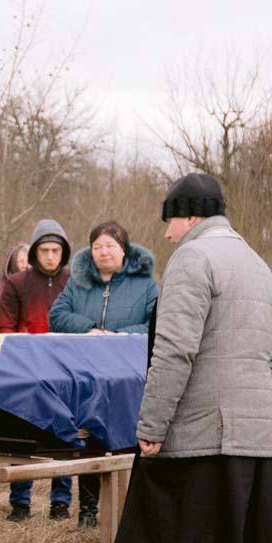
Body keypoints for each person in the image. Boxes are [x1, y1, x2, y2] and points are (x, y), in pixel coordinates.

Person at [83, 172, 272, 543]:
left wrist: (152, 423)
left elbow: (175, 349)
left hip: (202, 432)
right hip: (255, 433)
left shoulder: (193, 258)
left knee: (179, 538)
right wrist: (251, 411)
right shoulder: (259, 265)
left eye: (170, 222)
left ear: (190, 216)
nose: (165, 235)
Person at [49, 219, 159, 527]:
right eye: (97, 246)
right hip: (88, 375)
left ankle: (130, 514)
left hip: (129, 376)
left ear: (124, 250)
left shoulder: (146, 284)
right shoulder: (78, 281)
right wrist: (90, 330)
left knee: (127, 441)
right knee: (90, 440)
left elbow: (157, 323)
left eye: (110, 246)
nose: (103, 252)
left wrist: (119, 335)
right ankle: (87, 511)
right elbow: (56, 315)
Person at [0, 218, 74, 520]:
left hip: (66, 371)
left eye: (56, 250)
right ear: (35, 252)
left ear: (63, 252)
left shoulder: (73, 283)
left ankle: (61, 502)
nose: (51, 256)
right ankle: (20, 501)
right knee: (23, 435)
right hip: (27, 371)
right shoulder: (17, 283)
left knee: (65, 436)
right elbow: (5, 328)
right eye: (45, 250)